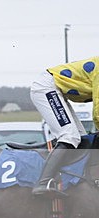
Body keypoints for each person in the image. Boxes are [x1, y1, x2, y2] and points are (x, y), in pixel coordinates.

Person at [30, 56, 99, 196]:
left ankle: (70, 180)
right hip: (47, 87)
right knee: (69, 136)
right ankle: (42, 182)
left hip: (58, 91)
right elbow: (97, 113)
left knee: (81, 139)